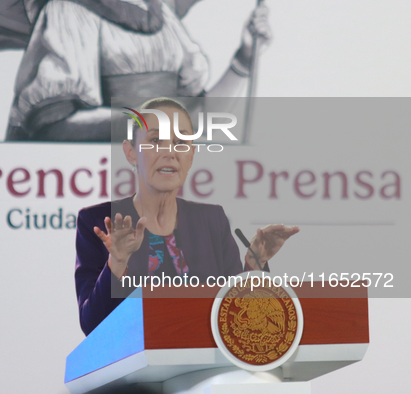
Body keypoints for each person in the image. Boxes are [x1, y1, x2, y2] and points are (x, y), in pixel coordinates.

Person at [75, 98, 299, 335]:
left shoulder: (212, 219)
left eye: (180, 142)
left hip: (207, 368)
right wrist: (117, 263)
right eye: (155, 140)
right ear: (131, 153)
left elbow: (240, 317)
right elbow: (92, 325)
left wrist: (255, 267)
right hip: (135, 370)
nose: (170, 152)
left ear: (191, 155)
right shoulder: (99, 222)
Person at [0, 0, 272, 141]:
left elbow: (199, 119)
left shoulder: (164, 16)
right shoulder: (70, 11)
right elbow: (53, 126)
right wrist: (149, 123)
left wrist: (243, 59)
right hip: (98, 194)